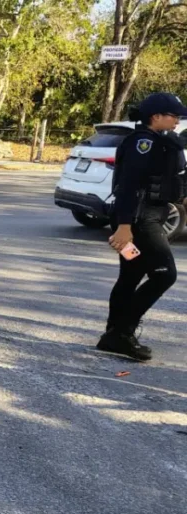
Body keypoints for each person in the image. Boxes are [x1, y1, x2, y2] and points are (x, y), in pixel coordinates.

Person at [99, 92, 187, 361]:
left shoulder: (162, 142)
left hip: (150, 217)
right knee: (164, 274)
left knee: (132, 273)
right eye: (174, 116)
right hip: (139, 222)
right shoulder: (143, 143)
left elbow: (170, 181)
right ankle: (121, 332)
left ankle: (114, 334)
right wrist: (124, 226)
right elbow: (129, 185)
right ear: (156, 116)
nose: (177, 121)